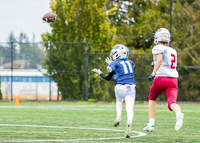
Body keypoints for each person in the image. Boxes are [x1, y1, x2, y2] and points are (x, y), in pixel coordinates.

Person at [143, 28, 184, 132]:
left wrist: (153, 73)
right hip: (173, 80)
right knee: (171, 103)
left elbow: (160, 60)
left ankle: (151, 125)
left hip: (161, 78)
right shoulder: (173, 50)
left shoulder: (157, 47)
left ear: (157, 38)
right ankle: (178, 114)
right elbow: (165, 62)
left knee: (152, 98)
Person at [92, 44, 136, 138]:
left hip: (119, 87)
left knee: (119, 101)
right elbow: (123, 69)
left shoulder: (113, 64)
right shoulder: (131, 62)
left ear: (116, 54)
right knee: (129, 107)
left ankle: (119, 116)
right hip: (131, 87)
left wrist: (100, 72)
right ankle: (129, 121)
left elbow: (108, 77)